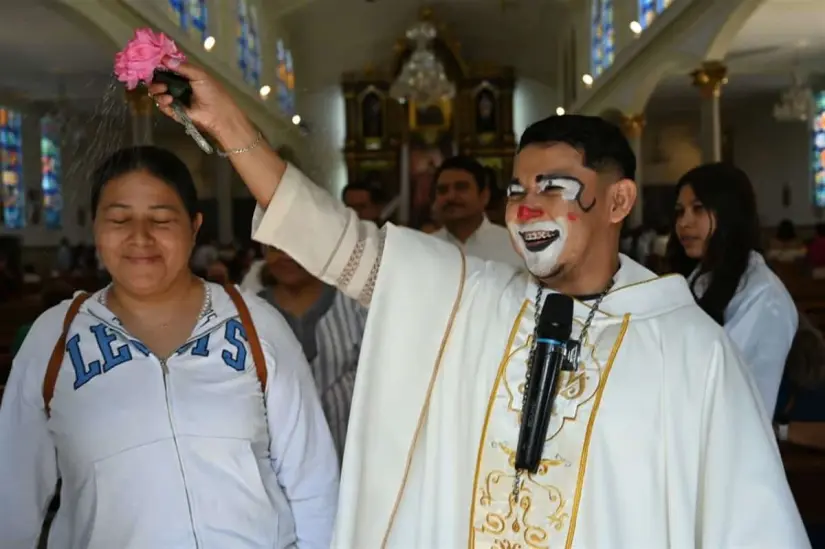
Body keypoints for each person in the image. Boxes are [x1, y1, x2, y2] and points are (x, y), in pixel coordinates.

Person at [150, 64, 809, 549]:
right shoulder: (472, 298)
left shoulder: (689, 348)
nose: (526, 207)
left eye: (555, 187)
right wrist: (230, 124)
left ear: (617, 201)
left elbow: (748, 525)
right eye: (518, 188)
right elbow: (334, 238)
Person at [0, 146, 338, 549]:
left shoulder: (255, 324)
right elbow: (13, 500)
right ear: (95, 228)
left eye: (161, 219)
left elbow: (313, 481)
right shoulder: (56, 338)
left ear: (194, 227)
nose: (140, 237)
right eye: (119, 219)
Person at [668, 163, 797, 416]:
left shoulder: (762, 295)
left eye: (698, 209)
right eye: (680, 212)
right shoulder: (700, 276)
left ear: (730, 214)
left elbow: (727, 384)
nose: (684, 222)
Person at [258, 246, 367, 459]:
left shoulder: (354, 304)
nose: (286, 255)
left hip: (352, 458)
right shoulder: (250, 310)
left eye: (294, 243)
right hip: (280, 464)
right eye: (274, 248)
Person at [431, 155, 522, 266]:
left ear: (484, 196)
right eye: (443, 190)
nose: (450, 196)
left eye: (461, 187)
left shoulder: (514, 246)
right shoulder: (426, 247)